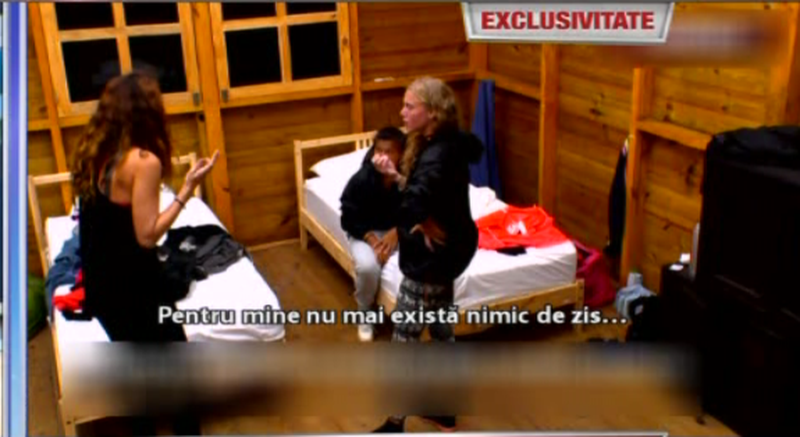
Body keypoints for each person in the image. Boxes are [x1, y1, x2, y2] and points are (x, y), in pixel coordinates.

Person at [71, 71, 218, 435]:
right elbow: (147, 235)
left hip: (102, 288)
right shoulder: (143, 161)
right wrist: (187, 191)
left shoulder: (99, 153)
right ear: (147, 112)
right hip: (134, 289)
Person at [371, 77, 484, 433]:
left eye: (410, 106)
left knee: (404, 338)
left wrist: (424, 219)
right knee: (440, 329)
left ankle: (394, 422)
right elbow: (427, 192)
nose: (402, 113)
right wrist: (397, 178)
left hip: (430, 261)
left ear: (432, 112)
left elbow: (413, 203)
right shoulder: (444, 143)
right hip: (449, 253)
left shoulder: (436, 154)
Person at [340, 127, 407, 342]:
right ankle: (365, 313)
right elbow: (348, 217)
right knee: (368, 267)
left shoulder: (407, 176)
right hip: (365, 231)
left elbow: (419, 206)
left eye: (389, 152)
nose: (383, 157)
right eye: (379, 151)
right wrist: (372, 239)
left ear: (401, 154)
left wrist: (397, 231)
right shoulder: (362, 179)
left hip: (400, 229)